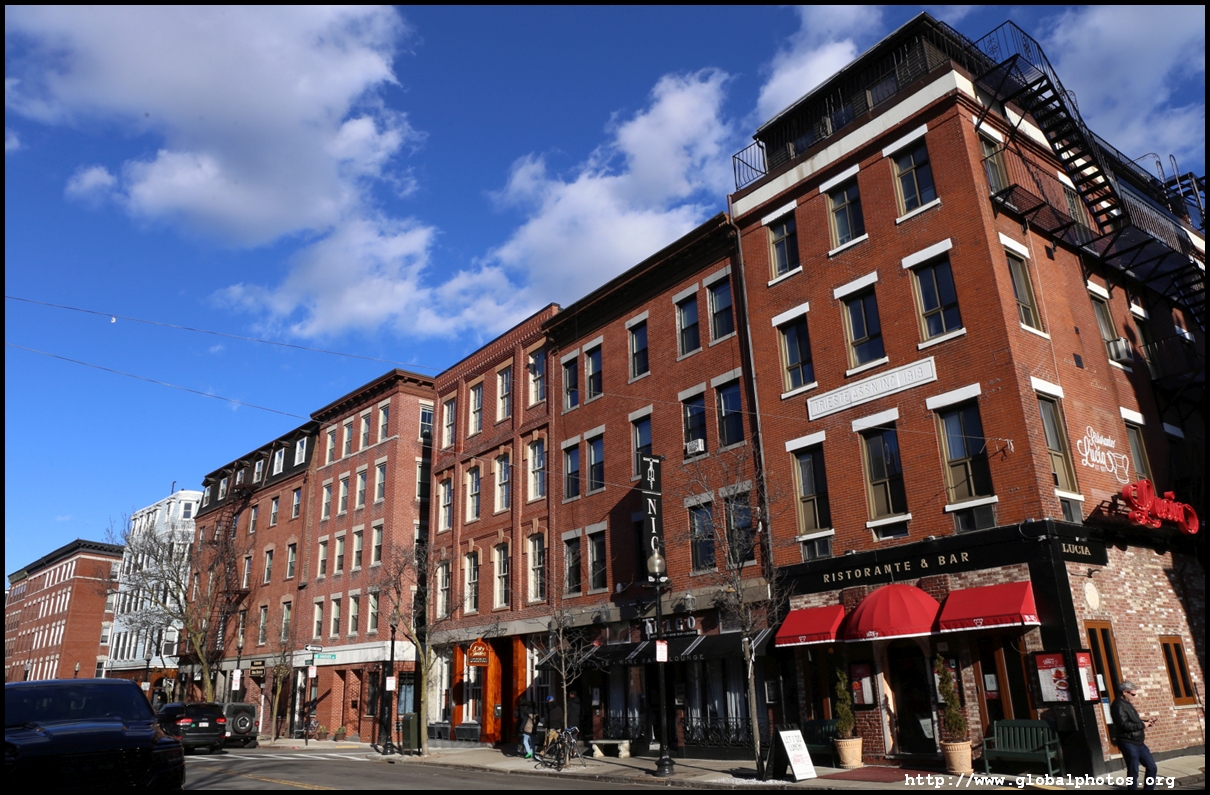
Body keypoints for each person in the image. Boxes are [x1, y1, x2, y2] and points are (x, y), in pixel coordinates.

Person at [1111, 680, 1158, 790]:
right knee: (1133, 771)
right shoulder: (1118, 705)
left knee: (1152, 767)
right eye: (1133, 694)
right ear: (1125, 692)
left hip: (1139, 742)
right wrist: (1142, 725)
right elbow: (1124, 725)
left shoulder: (1127, 704)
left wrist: (1146, 722)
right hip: (1128, 742)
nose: (1134, 697)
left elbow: (1133, 720)